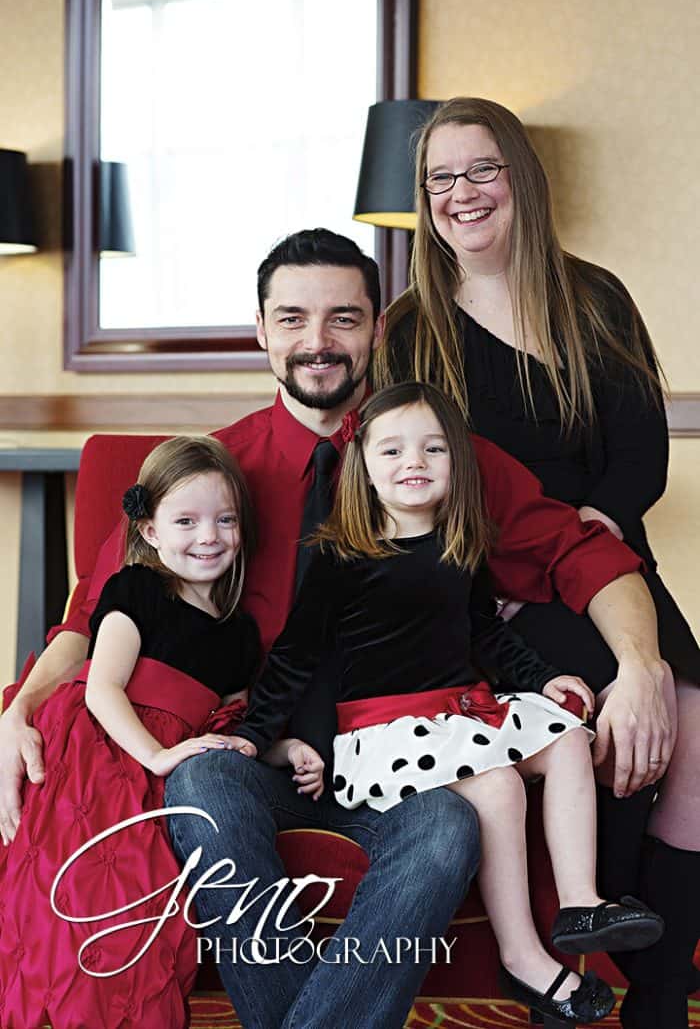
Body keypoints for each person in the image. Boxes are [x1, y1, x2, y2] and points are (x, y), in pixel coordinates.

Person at [0, 230, 671, 1028]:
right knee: (202, 787)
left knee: (449, 826)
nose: (317, 343)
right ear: (261, 330)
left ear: (377, 329)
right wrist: (19, 707)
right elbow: (95, 611)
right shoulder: (214, 474)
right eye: (292, 319)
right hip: (260, 750)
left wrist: (641, 665)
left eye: (342, 319)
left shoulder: (438, 456)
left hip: (405, 759)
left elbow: (584, 556)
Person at [376, 96, 700, 1029]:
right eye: (441, 178)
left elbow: (642, 454)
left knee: (690, 722)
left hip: (599, 555)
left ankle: (663, 996)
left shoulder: (593, 297)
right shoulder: (410, 326)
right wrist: (492, 579)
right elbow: (407, 478)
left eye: (482, 170)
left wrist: (586, 538)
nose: (461, 193)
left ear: (522, 177)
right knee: (602, 707)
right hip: (490, 577)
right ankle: (598, 942)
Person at [231, 380, 666, 1024]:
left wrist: (543, 679)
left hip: (461, 711)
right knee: (497, 788)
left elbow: (486, 633)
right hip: (385, 730)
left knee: (569, 736)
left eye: (433, 449)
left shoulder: (462, 542)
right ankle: (522, 957)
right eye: (393, 452)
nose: (414, 463)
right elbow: (296, 655)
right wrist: (254, 730)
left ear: (456, 464)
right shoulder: (342, 556)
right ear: (364, 471)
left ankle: (581, 902)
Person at [0, 436, 270, 1028]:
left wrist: (272, 745)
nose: (209, 536)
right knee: (84, 894)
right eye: (186, 521)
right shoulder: (136, 589)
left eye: (225, 520)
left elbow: (232, 717)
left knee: (145, 911)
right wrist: (156, 754)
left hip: (166, 763)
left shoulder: (239, 633)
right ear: (149, 531)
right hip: (102, 749)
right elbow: (101, 687)